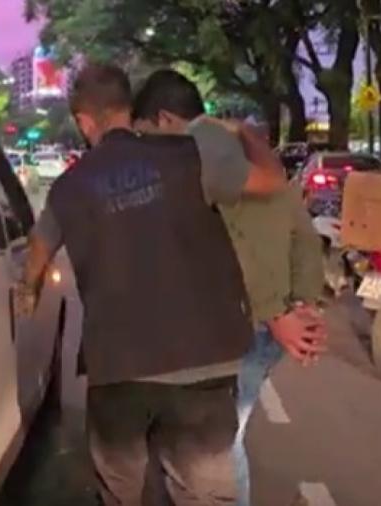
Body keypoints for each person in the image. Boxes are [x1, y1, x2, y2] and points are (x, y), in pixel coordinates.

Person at [19, 63, 286, 506]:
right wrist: (244, 131)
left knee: (120, 491)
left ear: (84, 121)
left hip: (118, 368)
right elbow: (272, 181)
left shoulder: (68, 188)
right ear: (127, 107)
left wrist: (28, 290)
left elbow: (38, 247)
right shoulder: (190, 157)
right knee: (203, 494)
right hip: (203, 361)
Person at [132, 69, 328, 506]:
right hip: (264, 323)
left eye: (145, 132)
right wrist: (303, 304)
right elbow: (303, 232)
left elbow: (235, 240)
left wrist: (277, 315)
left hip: (242, 322)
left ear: (165, 118)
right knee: (217, 437)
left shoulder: (194, 155)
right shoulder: (241, 146)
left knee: (216, 447)